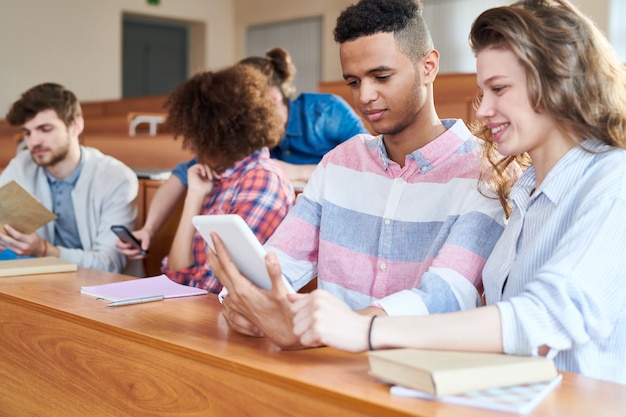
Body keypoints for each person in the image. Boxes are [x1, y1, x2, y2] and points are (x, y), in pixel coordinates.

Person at [288, 0, 626, 385]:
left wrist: (365, 330)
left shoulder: (614, 182)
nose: (482, 110)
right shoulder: (527, 192)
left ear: (560, 81)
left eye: (498, 89)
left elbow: (547, 316)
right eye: (484, 90)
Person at [206, 0, 510, 348]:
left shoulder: (485, 172)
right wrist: (245, 301)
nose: (365, 96)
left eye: (381, 77)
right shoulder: (339, 163)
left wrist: (339, 328)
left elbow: (446, 294)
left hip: (421, 379)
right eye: (353, 81)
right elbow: (279, 265)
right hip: (329, 370)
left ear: (428, 66)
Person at [117, 47, 367, 259]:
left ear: (273, 96)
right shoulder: (241, 135)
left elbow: (369, 165)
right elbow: (182, 174)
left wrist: (298, 170)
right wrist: (148, 230)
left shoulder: (327, 112)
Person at [159, 64, 295, 292]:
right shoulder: (217, 178)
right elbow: (174, 273)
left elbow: (213, 289)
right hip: (190, 310)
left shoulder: (262, 182)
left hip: (217, 317)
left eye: (196, 135)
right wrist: (194, 196)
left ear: (217, 133)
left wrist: (181, 282)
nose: (191, 146)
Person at [0, 83, 140, 274]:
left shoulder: (117, 179)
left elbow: (109, 265)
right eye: (27, 132)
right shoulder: (22, 164)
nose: (33, 142)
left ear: (75, 126)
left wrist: (44, 250)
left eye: (45, 129)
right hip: (43, 281)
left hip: (103, 290)